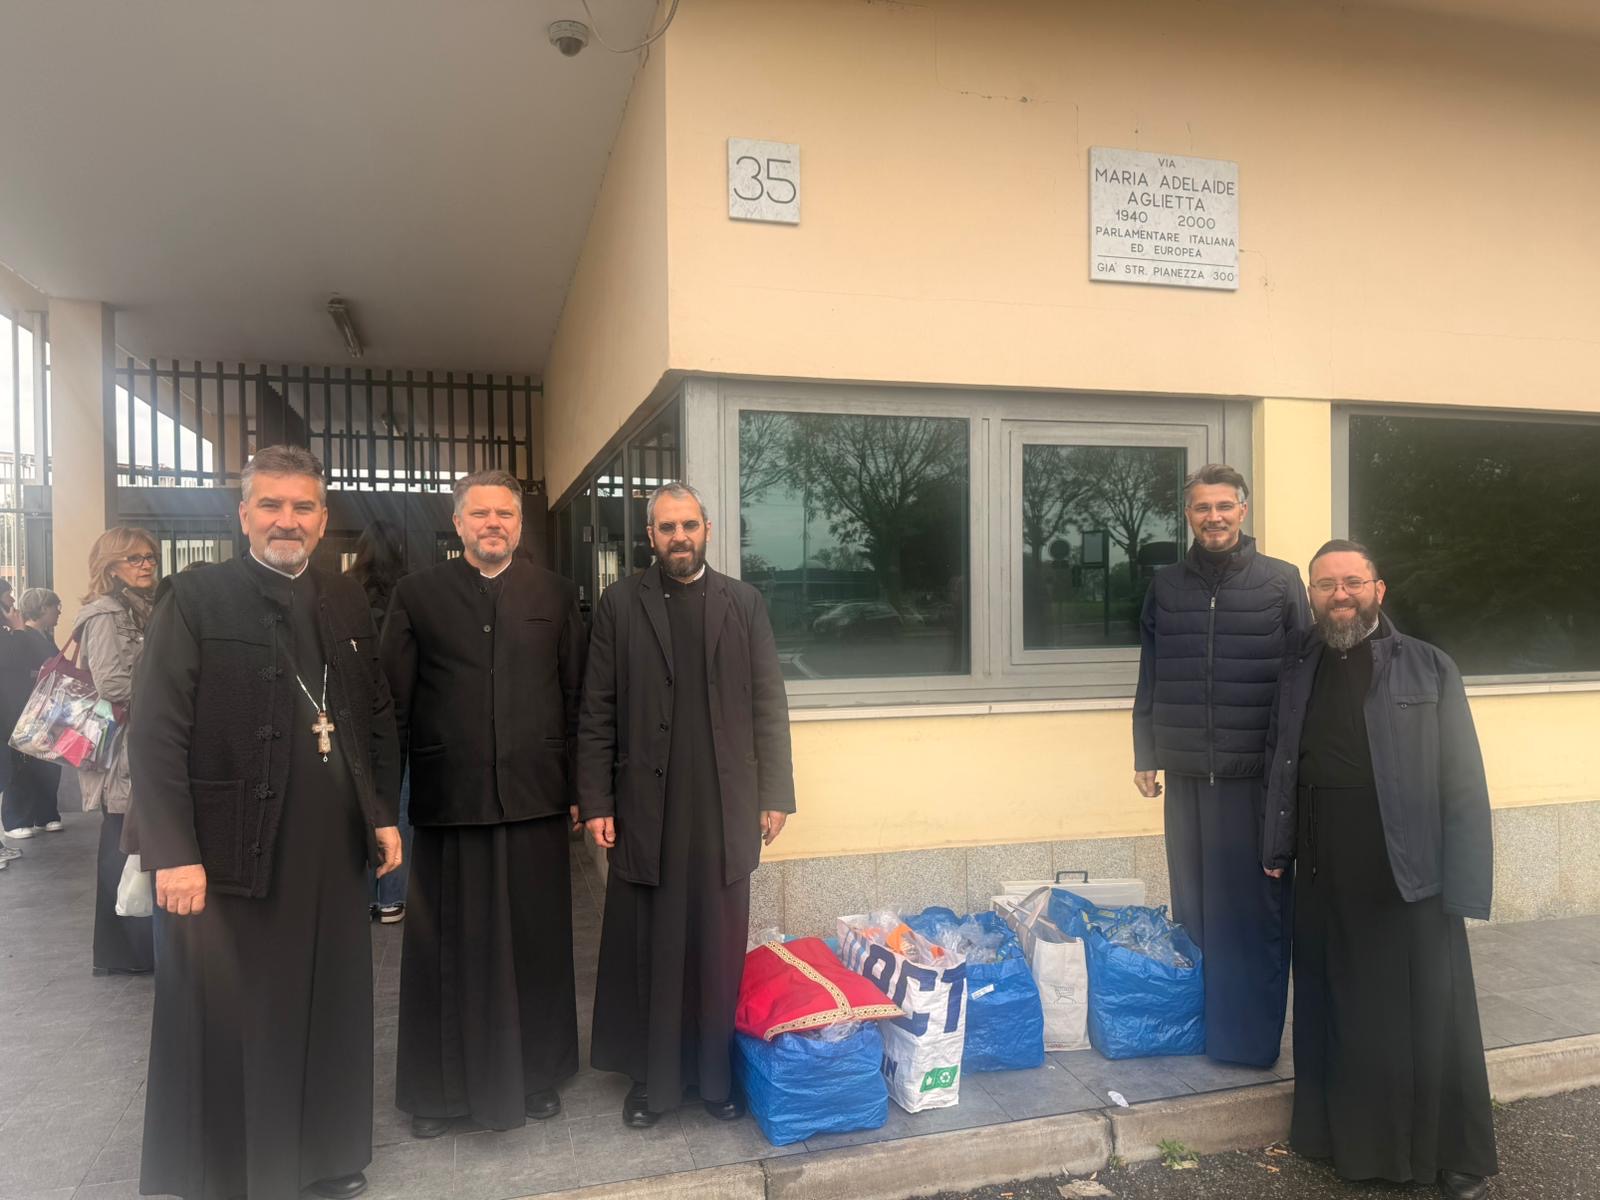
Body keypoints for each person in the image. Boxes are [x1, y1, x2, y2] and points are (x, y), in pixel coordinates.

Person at [130, 445, 402, 1200]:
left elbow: (372, 711)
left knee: (329, 1005)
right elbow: (155, 730)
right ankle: (237, 1171)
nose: (288, 520)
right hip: (231, 850)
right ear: (244, 513)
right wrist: (173, 851)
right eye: (272, 505)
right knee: (244, 1010)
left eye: (303, 506)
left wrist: (381, 814)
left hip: (331, 848)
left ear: (323, 518)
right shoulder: (196, 597)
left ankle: (325, 1157)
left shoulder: (344, 599)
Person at [1261, 540, 1496, 1200]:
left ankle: (1447, 1155)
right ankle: (1341, 1142)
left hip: (1408, 868)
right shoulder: (1296, 665)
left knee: (1426, 1015)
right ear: (1311, 595)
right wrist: (1276, 848)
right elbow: (1281, 759)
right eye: (1326, 584)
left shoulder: (1428, 665)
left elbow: (1463, 778)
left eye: (1353, 582)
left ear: (1378, 589)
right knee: (1336, 1006)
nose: (1340, 594)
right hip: (1322, 863)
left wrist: (1466, 882)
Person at [579, 481, 796, 1127]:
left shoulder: (743, 603)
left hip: (724, 807)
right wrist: (596, 799)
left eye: (689, 525)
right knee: (651, 946)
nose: (679, 537)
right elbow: (596, 708)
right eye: (667, 527)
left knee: (715, 945)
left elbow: (769, 702)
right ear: (650, 536)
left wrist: (776, 794)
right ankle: (651, 1082)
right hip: (647, 808)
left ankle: (714, 1080)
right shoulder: (620, 604)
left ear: (707, 529)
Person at [382, 470, 585, 1136]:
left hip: (536, 798)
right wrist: (384, 806)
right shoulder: (417, 595)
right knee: (446, 952)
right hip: (450, 801)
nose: (493, 523)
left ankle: (537, 1076)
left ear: (520, 525)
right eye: (479, 513)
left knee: (537, 944)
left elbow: (578, 699)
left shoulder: (556, 595)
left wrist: (582, 791)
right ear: (458, 523)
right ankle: (439, 1093)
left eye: (504, 513)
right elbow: (392, 706)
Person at [1132, 463, 1309, 1067]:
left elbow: (1302, 680)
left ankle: (1250, 1042)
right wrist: (1146, 751)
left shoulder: (1281, 582)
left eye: (1224, 506)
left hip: (1254, 778)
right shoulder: (1165, 585)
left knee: (1254, 914)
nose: (1214, 517)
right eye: (1202, 507)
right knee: (1196, 910)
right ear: (1189, 515)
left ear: (1243, 511)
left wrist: (1295, 763)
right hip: (1186, 773)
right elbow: (1151, 671)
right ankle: (1200, 1029)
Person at [74, 529, 160, 975]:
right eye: (134, 559)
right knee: (121, 841)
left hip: (137, 740)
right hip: (121, 748)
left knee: (130, 841)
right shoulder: (106, 613)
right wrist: (168, 692)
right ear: (110, 566)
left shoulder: (140, 607)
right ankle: (122, 953)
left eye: (150, 557)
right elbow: (111, 683)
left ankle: (132, 950)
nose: (146, 565)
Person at [348, 519, 413, 923]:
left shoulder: (344, 590)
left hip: (352, 707)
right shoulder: (409, 591)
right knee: (397, 798)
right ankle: (392, 896)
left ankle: (362, 895)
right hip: (400, 708)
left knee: (357, 799)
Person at [1, 588, 64, 840]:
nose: (59, 612)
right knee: (23, 764)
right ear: (42, 608)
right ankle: (18, 818)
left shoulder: (40, 636)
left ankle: (44, 814)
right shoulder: (20, 635)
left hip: (41, 707)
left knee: (45, 762)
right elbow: (16, 665)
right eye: (55, 606)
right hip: (22, 708)